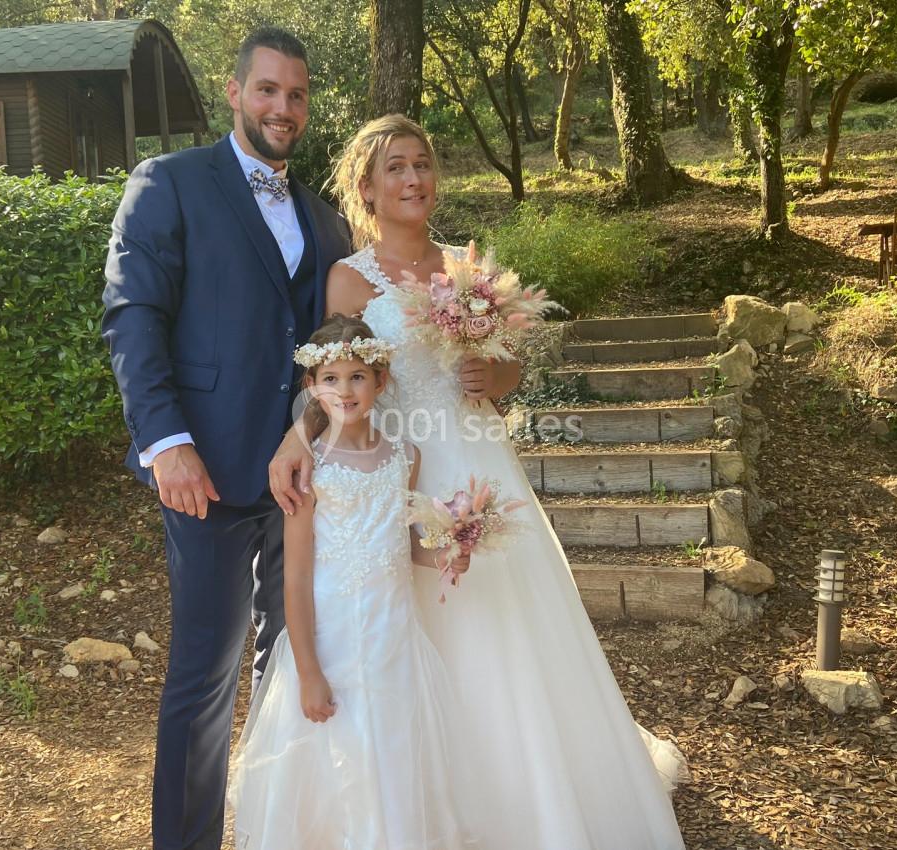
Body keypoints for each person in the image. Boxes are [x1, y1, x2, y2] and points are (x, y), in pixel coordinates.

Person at [269, 114, 687, 850]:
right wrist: (292, 439)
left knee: (494, 615)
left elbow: (512, 370)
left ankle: (526, 805)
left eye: (422, 164)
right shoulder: (348, 277)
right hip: (394, 465)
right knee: (403, 617)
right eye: (395, 168)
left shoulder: (468, 266)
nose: (413, 180)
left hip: (475, 456)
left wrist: (493, 372)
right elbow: (332, 377)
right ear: (367, 187)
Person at [100, 27, 351, 850]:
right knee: (203, 675)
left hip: (302, 473)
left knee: (292, 664)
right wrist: (165, 440)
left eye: (298, 95)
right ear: (236, 93)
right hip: (201, 470)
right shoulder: (168, 184)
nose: (284, 107)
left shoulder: (324, 217)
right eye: (269, 89)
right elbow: (134, 314)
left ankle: (283, 830)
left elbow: (339, 343)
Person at [229, 315, 477, 850]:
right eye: (331, 379)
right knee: (331, 749)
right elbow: (293, 577)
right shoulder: (308, 466)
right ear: (312, 388)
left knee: (391, 746)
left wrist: (447, 555)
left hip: (394, 635)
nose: (345, 390)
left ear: (381, 381)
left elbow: (404, 542)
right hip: (329, 637)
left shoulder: (407, 456)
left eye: (358, 377)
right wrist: (309, 671)